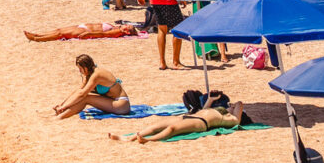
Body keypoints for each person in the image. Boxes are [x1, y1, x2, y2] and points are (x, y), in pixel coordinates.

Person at [107, 101, 249, 144]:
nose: (230, 106)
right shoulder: (219, 110)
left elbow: (239, 106)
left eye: (231, 107)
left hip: (201, 123)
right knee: (156, 125)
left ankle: (148, 140)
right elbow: (204, 109)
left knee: (172, 129)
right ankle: (127, 138)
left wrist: (235, 106)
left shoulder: (231, 119)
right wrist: (211, 99)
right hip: (190, 116)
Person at [53, 54, 131, 118]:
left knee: (86, 98)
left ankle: (60, 118)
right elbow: (79, 90)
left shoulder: (97, 75)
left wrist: (64, 107)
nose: (80, 71)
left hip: (121, 104)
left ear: (86, 68)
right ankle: (60, 114)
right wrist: (62, 104)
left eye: (80, 69)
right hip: (112, 102)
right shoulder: (88, 74)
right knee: (84, 96)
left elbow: (82, 94)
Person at [23, 22, 144, 43]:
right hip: (84, 27)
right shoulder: (115, 27)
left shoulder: (117, 31)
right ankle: (38, 35)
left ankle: (36, 39)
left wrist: (88, 34)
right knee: (59, 30)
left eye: (127, 27)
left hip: (86, 31)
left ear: (127, 32)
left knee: (60, 34)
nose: (126, 25)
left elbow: (103, 34)